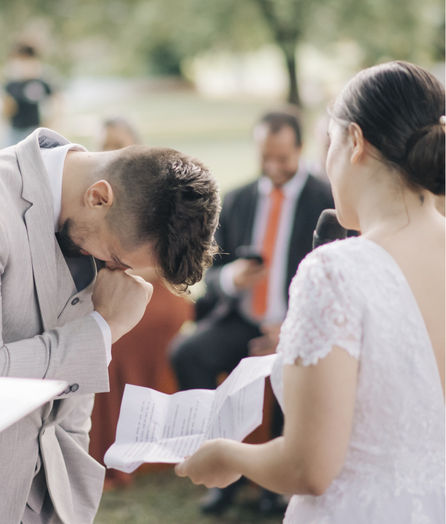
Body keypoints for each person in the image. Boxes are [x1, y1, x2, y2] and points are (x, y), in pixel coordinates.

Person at [0, 121, 221, 522]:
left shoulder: (91, 223)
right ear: (98, 197)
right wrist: (102, 328)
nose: (114, 271)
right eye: (119, 259)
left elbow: (72, 400)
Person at [176, 61, 445, 523]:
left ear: (354, 142)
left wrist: (228, 455)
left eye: (329, 142)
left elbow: (309, 468)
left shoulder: (335, 272)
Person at [169, 111, 334, 514]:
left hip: (297, 325)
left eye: (283, 157)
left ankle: (274, 485)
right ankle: (226, 467)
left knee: (293, 368)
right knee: (186, 354)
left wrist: (291, 330)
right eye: (266, 157)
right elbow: (209, 272)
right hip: (241, 319)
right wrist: (230, 278)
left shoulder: (326, 200)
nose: (274, 166)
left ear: (300, 149)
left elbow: (335, 278)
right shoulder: (239, 199)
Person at [85, 120, 196, 489]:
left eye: (120, 145)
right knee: (94, 329)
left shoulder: (158, 196)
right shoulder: (93, 196)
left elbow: (169, 268)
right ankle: (100, 446)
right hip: (114, 288)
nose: (112, 153)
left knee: (115, 337)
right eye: (106, 146)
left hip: (156, 290)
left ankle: (128, 446)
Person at [2, 43, 60, 147]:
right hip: (14, 131)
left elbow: (57, 101)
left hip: (33, 130)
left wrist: (49, 123)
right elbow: (6, 110)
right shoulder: (12, 84)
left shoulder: (40, 82)